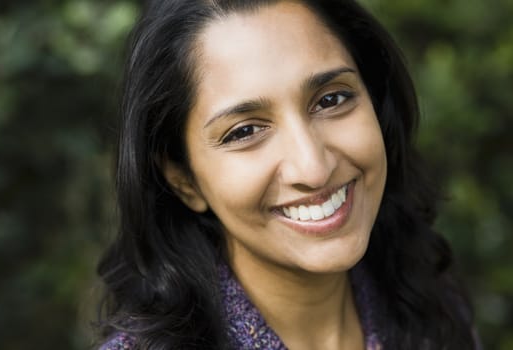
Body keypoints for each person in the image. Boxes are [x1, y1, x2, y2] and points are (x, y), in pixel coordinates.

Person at [96, 0, 481, 349]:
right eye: (245, 131)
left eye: (331, 99)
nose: (313, 168)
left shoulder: (434, 311)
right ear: (184, 179)